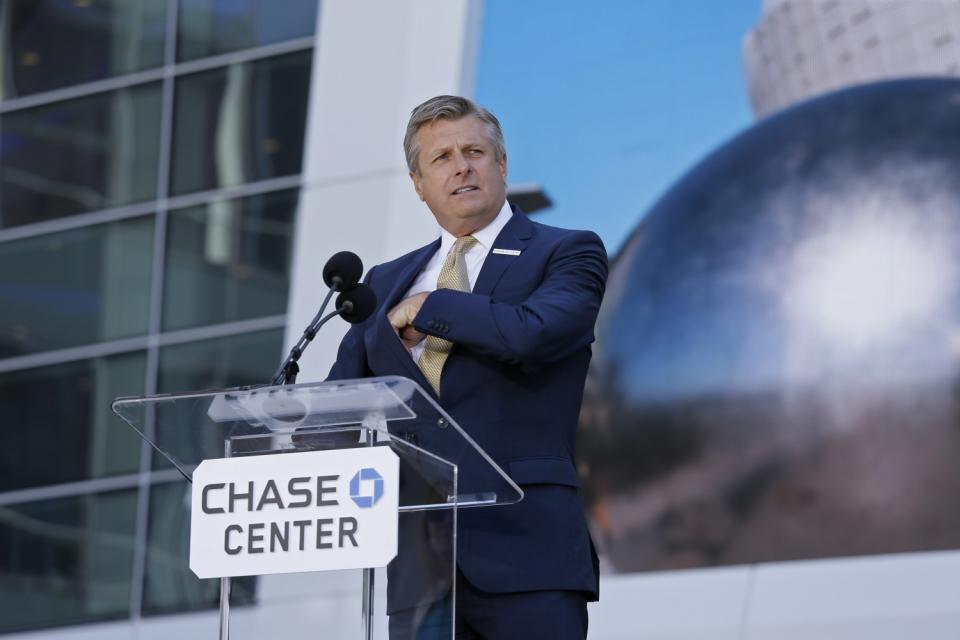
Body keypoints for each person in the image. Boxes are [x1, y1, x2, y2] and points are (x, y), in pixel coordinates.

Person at [327, 95, 607, 639]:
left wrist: (430, 309)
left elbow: (533, 333)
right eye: (442, 157)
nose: (462, 167)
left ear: (501, 165)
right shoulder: (382, 283)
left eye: (474, 151)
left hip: (528, 556)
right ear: (418, 183)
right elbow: (341, 402)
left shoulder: (566, 253)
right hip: (418, 570)